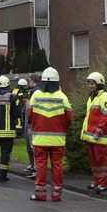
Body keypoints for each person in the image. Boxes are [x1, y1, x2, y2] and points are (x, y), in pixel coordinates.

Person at [27, 67, 72, 201]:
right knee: (57, 165)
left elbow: (29, 114)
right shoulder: (62, 96)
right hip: (58, 139)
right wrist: (63, 129)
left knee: (40, 165)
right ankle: (56, 195)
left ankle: (40, 194)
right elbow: (69, 117)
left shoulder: (36, 95)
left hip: (40, 138)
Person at [81, 71, 107, 193]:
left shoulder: (105, 98)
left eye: (92, 83)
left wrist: (98, 132)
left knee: (101, 161)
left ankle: (104, 183)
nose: (90, 86)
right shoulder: (92, 97)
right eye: (89, 83)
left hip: (98, 136)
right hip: (91, 136)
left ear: (99, 83)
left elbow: (105, 118)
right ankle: (97, 181)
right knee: (94, 161)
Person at [22, 73, 41, 175]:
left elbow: (31, 108)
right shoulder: (40, 90)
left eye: (29, 81)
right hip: (36, 121)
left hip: (32, 123)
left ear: (33, 80)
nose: (28, 83)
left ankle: (35, 168)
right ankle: (34, 166)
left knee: (32, 146)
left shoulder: (34, 91)